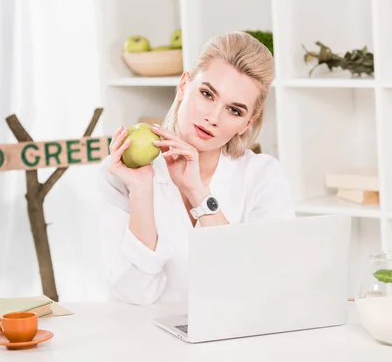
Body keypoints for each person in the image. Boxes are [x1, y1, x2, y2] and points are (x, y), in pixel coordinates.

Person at [97, 31, 295, 306]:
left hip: (234, 340)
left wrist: (198, 193)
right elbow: (133, 295)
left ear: (247, 124)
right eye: (206, 94)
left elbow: (254, 286)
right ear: (183, 85)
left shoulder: (264, 177)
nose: (212, 118)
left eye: (234, 110)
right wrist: (141, 192)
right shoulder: (122, 173)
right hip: (144, 341)